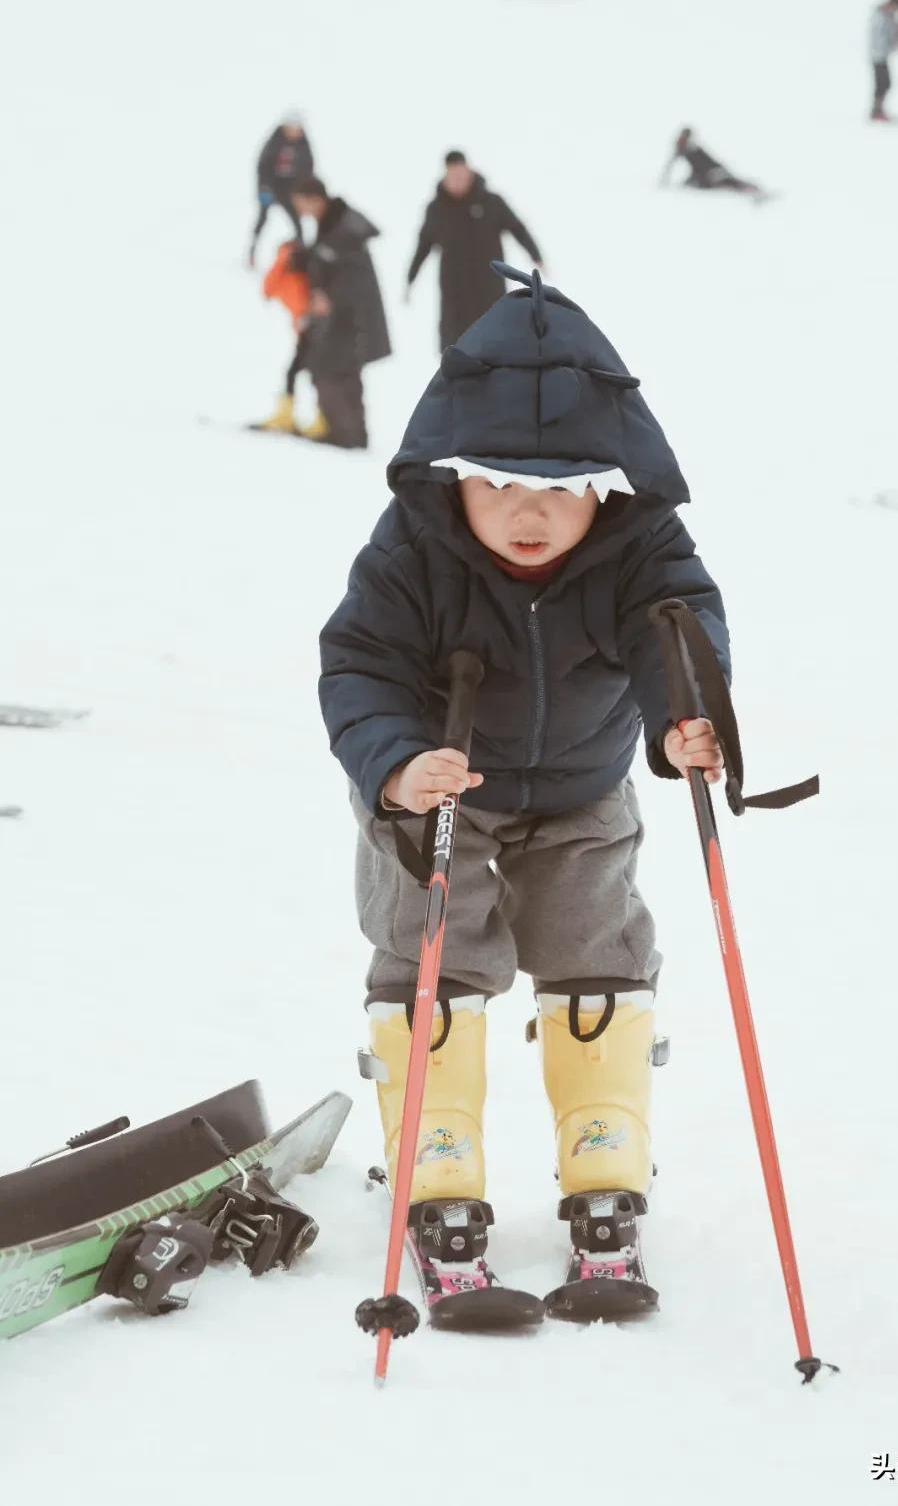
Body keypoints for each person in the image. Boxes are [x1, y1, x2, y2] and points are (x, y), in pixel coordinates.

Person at [318, 265, 729, 1302]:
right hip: (441, 791)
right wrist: (396, 765)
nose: (527, 512)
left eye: (559, 488)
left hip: (584, 788)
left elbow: (677, 626)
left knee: (597, 946)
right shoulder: (415, 547)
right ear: (453, 471)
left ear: (607, 481)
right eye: (498, 483)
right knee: (432, 949)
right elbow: (360, 661)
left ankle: (605, 1154)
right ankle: (437, 1158)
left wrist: (688, 715)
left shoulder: (639, 543)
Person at [289, 178, 391, 449]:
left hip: (351, 317)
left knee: (329, 367)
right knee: (339, 368)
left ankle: (345, 435)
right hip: (344, 316)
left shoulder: (344, 227)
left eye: (300, 204)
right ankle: (352, 434)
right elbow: (328, 260)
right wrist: (305, 259)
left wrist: (329, 297)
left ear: (314, 199)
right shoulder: (332, 223)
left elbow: (354, 274)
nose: (300, 211)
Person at [405, 152, 543, 350]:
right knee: (457, 344)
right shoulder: (436, 209)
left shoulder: (491, 202)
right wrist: (411, 278)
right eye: (453, 176)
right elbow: (423, 246)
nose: (458, 180)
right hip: (454, 288)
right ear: (446, 176)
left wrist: (536, 256)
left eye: (461, 174)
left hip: (489, 284)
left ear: (468, 171)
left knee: (496, 338)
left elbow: (518, 229)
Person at [252, 243, 314, 436]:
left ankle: (294, 417)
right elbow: (268, 290)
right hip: (309, 331)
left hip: (315, 329)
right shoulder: (288, 271)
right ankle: (287, 416)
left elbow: (269, 289)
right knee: (299, 373)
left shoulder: (301, 271)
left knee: (310, 373)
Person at [249, 114, 314, 267]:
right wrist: (264, 188)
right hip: (271, 187)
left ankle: (302, 253)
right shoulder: (274, 142)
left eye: (296, 129)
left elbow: (308, 168)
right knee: (262, 219)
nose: (293, 132)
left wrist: (305, 189)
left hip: (290, 188)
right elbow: (263, 166)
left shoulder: (303, 146)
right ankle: (252, 250)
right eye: (291, 128)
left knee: (296, 220)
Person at [660, 128, 768, 198]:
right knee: (727, 183)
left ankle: (755, 191)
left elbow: (708, 162)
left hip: (712, 172)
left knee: (730, 182)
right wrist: (665, 180)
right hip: (706, 176)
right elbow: (671, 166)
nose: (685, 140)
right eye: (684, 137)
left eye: (686, 138)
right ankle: (754, 191)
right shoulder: (686, 149)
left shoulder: (694, 148)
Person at [870, 0, 898, 121]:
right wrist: (891, 46)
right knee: (882, 84)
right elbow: (880, 37)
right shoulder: (880, 17)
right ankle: (876, 110)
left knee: (885, 83)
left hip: (881, 55)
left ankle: (878, 109)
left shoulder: (885, 16)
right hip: (878, 55)